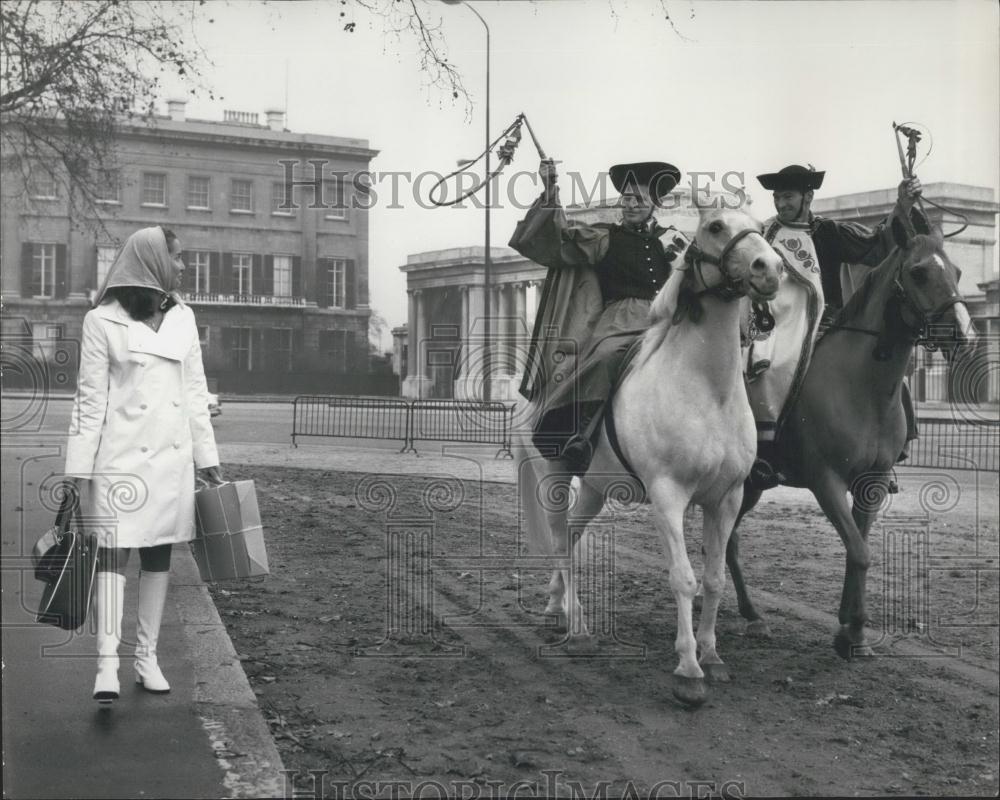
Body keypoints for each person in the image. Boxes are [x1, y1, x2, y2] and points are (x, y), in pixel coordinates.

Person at [65, 225, 223, 705]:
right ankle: (107, 663)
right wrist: (77, 472)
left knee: (158, 554)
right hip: (119, 460)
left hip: (171, 459)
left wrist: (208, 458)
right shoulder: (101, 321)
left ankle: (147, 658)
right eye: (177, 257)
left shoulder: (184, 318)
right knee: (113, 556)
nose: (183, 266)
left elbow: (195, 393)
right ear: (154, 261)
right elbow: (90, 402)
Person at [747, 164, 924, 488]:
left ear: (808, 197)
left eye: (788, 197)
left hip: (832, 321)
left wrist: (904, 205)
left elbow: (877, 244)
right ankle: (766, 454)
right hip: (780, 320)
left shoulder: (829, 232)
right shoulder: (765, 235)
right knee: (771, 367)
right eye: (777, 198)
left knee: (888, 371)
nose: (781, 204)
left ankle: (889, 452)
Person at [510, 159, 688, 474]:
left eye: (639, 199)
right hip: (620, 321)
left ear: (654, 205)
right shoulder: (604, 237)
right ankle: (582, 434)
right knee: (606, 357)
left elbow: (692, 277)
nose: (630, 204)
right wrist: (551, 190)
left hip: (667, 320)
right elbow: (556, 239)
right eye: (626, 198)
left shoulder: (672, 240)